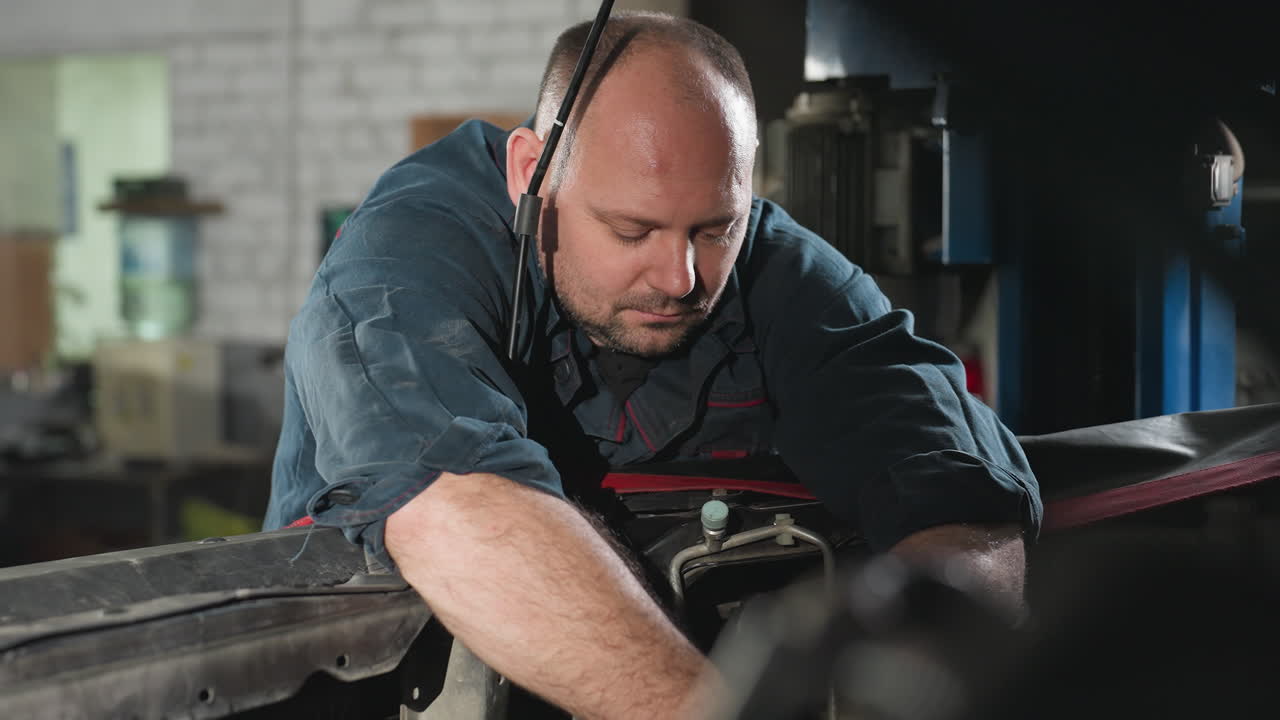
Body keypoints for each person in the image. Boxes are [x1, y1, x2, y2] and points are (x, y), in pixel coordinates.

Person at [264, 11, 1042, 719]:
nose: (682, 278)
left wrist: (917, 689)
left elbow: (953, 491)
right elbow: (452, 505)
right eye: (633, 231)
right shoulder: (410, 256)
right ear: (530, 172)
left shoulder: (780, 271)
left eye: (715, 228)